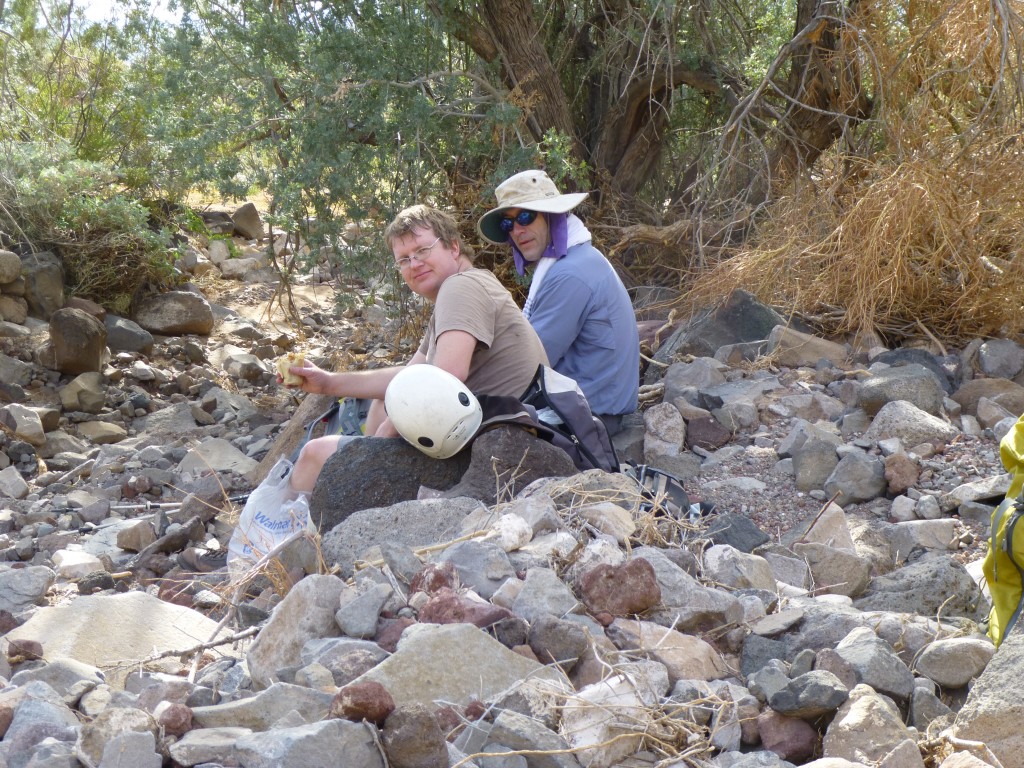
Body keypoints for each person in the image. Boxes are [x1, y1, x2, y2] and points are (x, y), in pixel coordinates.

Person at [282, 204, 549, 493]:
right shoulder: (464, 288)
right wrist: (329, 383)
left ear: (454, 247)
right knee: (383, 401)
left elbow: (448, 375)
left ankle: (299, 534)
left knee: (313, 455)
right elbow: (409, 377)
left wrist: (375, 447)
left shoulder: (462, 287)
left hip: (496, 450)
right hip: (493, 434)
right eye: (404, 259)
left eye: (423, 250)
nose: (415, 263)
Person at [477, 169, 640, 435]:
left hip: (589, 417)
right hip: (594, 405)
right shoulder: (580, 258)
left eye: (526, 216)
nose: (517, 230)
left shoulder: (569, 274)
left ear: (552, 216)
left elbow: (527, 364)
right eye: (508, 224)